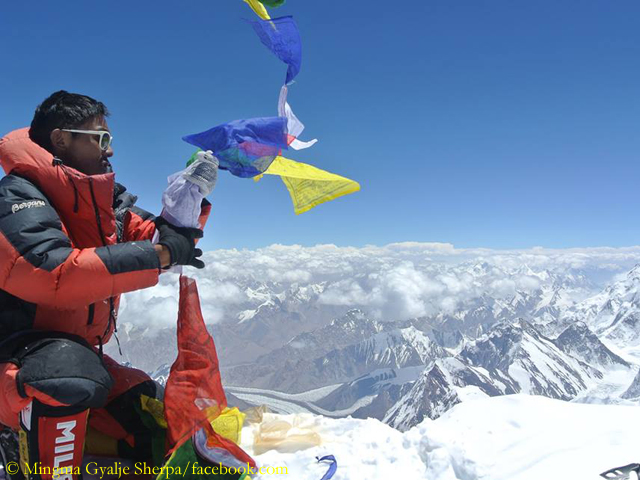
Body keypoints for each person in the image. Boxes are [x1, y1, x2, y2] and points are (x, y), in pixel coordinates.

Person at [0, 91, 213, 480]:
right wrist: (162, 255)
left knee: (147, 412)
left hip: (73, 354)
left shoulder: (101, 202)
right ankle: (31, 461)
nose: (109, 151)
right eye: (100, 138)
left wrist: (189, 199)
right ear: (62, 139)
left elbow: (154, 238)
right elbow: (53, 273)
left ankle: (69, 441)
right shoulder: (14, 199)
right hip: (12, 357)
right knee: (67, 373)